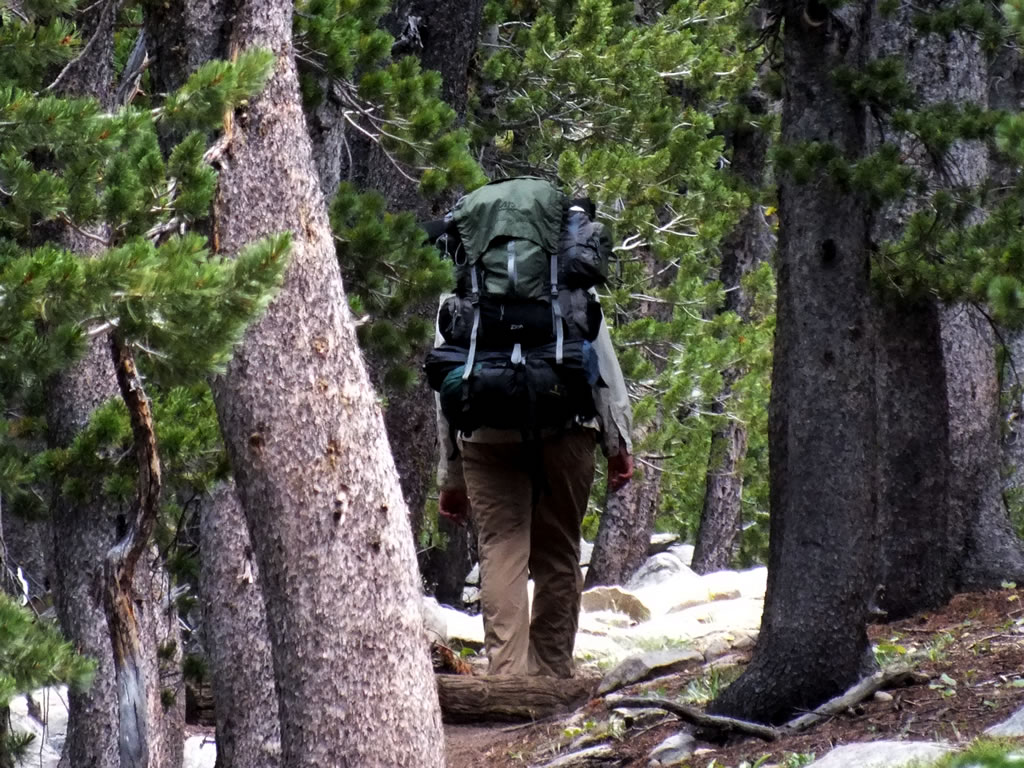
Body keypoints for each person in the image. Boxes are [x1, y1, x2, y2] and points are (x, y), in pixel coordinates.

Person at [435, 308, 633, 678]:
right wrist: (617, 440)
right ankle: (553, 675)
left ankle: (508, 677)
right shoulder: (567, 263)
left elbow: (447, 372)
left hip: (485, 431)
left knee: (500, 547)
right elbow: (602, 359)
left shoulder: (466, 266)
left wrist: (451, 474)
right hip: (566, 426)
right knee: (558, 548)